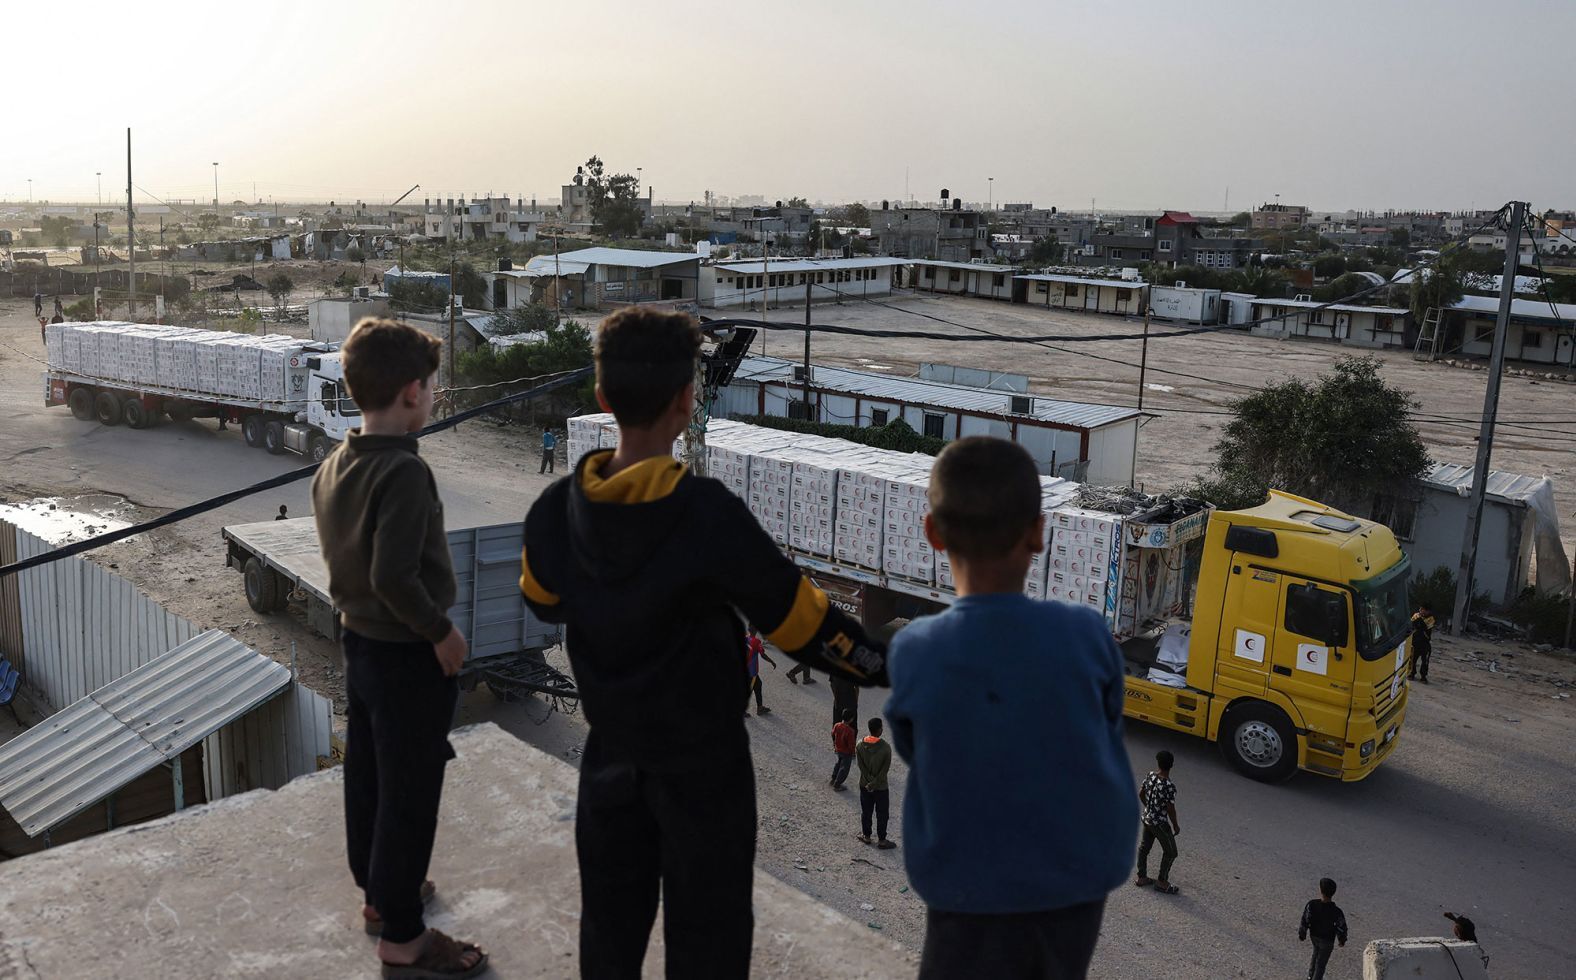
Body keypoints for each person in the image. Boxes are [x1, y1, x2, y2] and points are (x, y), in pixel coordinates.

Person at [518, 306, 887, 979]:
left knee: (609, 930)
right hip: (704, 773)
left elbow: (540, 601)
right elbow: (803, 626)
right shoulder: (708, 516)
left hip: (610, 762)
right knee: (709, 938)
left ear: (602, 398)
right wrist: (878, 660)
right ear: (689, 402)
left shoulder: (551, 515)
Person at [885, 436, 1136, 980]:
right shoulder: (1087, 634)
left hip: (966, 891)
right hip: (1076, 888)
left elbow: (915, 747)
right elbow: (1106, 722)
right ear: (1039, 533)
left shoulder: (916, 649)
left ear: (931, 533)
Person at [310, 317, 486, 980]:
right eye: (434, 387)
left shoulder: (338, 462)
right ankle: (404, 938)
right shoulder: (405, 474)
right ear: (412, 392)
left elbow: (354, 567)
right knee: (410, 794)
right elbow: (393, 575)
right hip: (407, 651)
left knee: (370, 777)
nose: (436, 397)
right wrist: (441, 632)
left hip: (361, 644)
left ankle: (380, 898)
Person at [1134, 750, 1181, 894]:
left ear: (1158, 763)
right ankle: (1162, 881)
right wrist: (1175, 825)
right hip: (1159, 823)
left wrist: (1149, 807)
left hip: (1147, 818)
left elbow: (1141, 793)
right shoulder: (1168, 786)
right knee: (1171, 852)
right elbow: (1170, 808)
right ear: (1171, 765)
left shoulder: (1150, 775)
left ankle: (1142, 877)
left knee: (1144, 847)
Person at [856, 717, 896, 849]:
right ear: (879, 730)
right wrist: (874, 783)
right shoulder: (885, 748)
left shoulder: (860, 745)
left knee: (866, 811)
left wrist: (868, 782)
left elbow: (861, 766)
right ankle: (882, 840)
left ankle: (866, 836)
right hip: (881, 787)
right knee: (882, 813)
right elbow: (884, 770)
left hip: (864, 785)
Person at [1298, 877, 1348, 980]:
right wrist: (1342, 940)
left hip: (1314, 936)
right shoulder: (1336, 911)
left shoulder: (1312, 904)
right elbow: (1341, 926)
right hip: (1327, 941)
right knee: (1320, 964)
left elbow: (1305, 919)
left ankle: (1310, 977)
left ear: (1321, 890)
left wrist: (1302, 933)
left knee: (1315, 956)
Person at [745, 625, 776, 716]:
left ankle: (760, 707)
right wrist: (772, 661)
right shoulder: (757, 642)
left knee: (758, 685)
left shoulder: (746, 638)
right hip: (752, 671)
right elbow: (762, 654)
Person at [830, 708, 856, 791]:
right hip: (847, 752)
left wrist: (835, 744)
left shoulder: (837, 725)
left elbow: (833, 734)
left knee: (838, 764)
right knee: (844, 768)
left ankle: (833, 778)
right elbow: (851, 745)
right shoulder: (850, 731)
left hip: (838, 749)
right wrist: (853, 753)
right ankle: (837, 785)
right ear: (851, 719)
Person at [1409, 603, 1435, 683]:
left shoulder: (1431, 619)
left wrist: (1420, 621)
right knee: (1412, 659)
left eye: (1422, 609)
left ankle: (1423, 676)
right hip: (1415, 641)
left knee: (1425, 661)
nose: (1420, 611)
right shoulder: (1416, 615)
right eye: (1420, 609)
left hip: (1425, 643)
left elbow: (1426, 628)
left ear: (1427, 611)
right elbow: (1411, 624)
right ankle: (1411, 673)